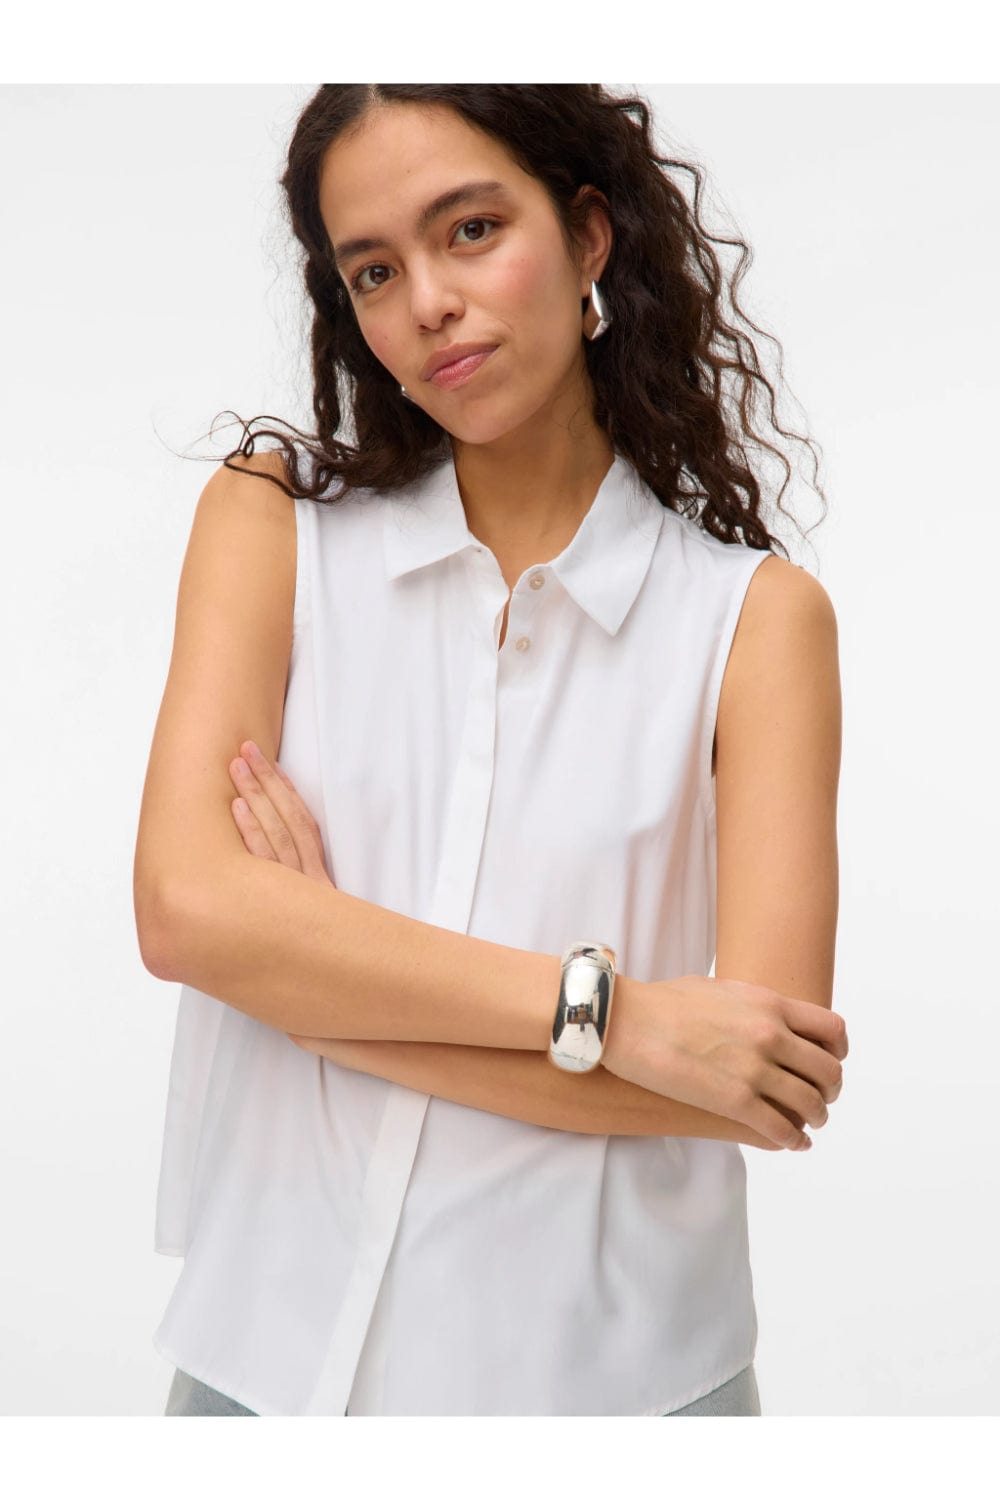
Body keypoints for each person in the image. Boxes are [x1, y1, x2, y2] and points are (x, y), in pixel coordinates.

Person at [135, 84, 847, 1418]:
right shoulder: (270, 528)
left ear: (587, 238)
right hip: (270, 1367)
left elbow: (757, 1083)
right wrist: (618, 1019)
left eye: (470, 230)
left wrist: (313, 988)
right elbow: (184, 913)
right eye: (374, 270)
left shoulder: (756, 624)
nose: (429, 303)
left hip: (622, 1388)